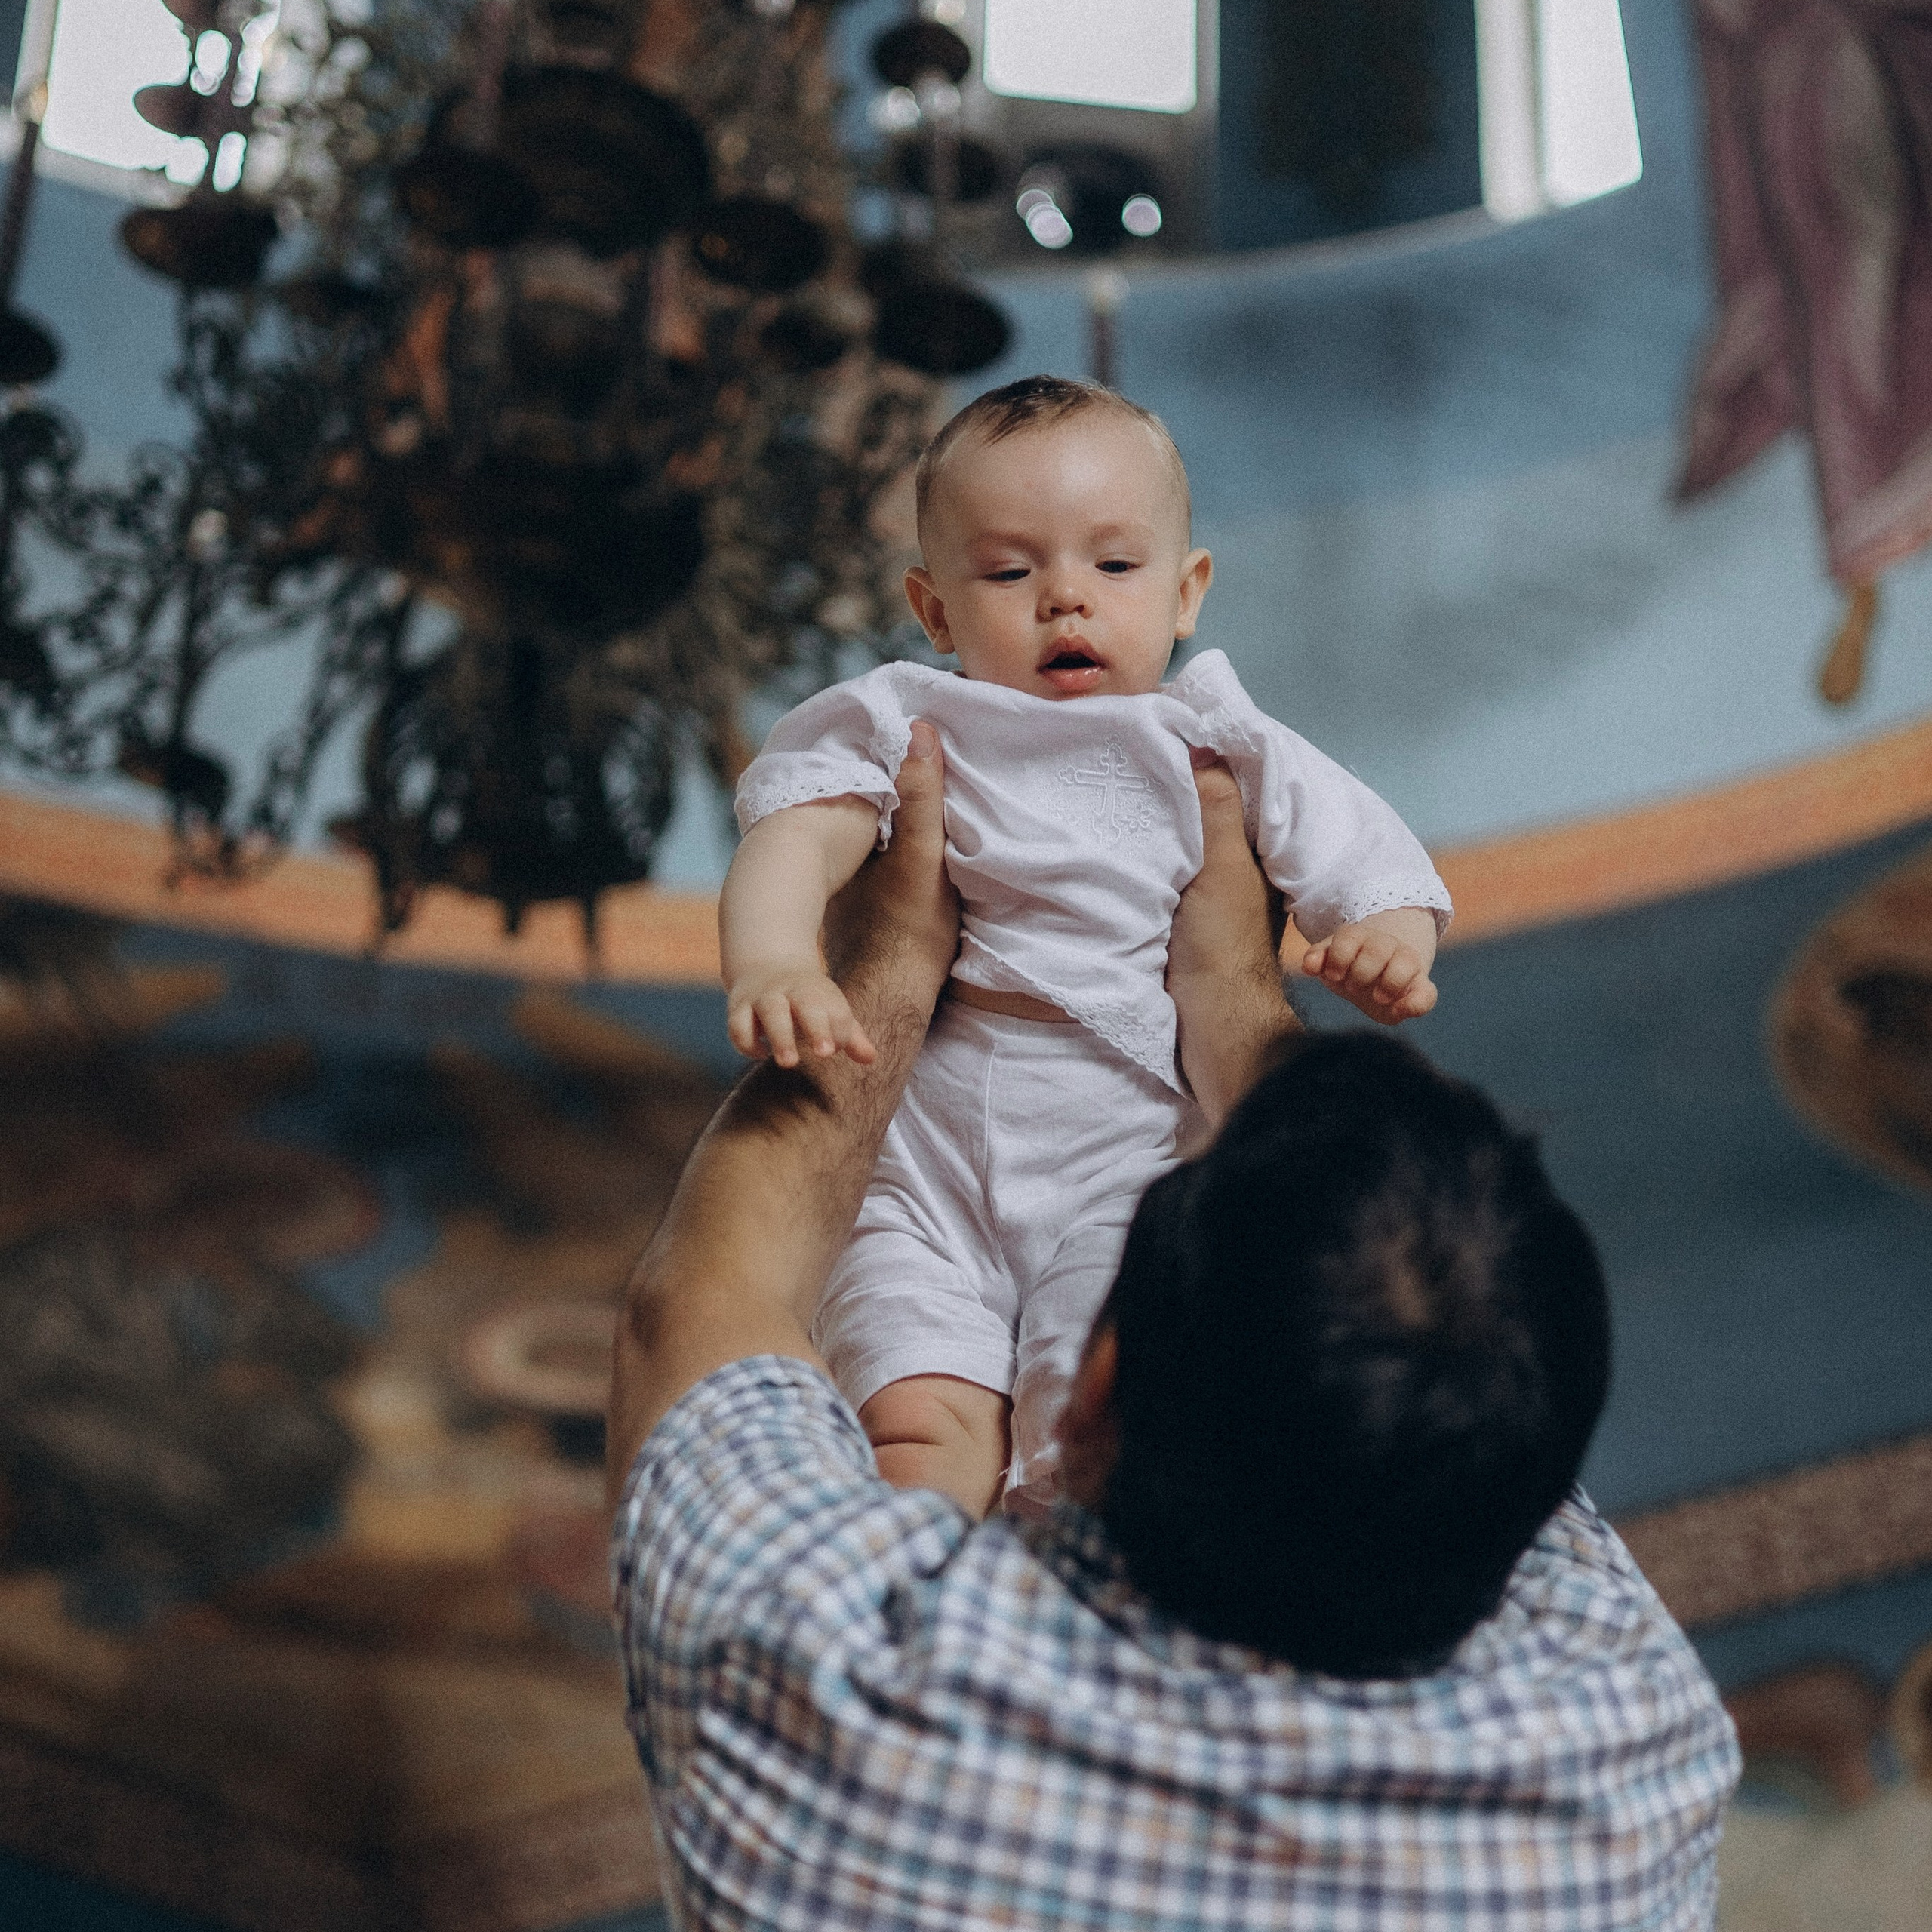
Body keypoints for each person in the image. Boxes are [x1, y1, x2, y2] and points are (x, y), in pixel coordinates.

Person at [606, 733, 1741, 1930]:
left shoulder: (821, 1682)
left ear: (1093, 1389)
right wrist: (1231, 994)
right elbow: (1422, 1334)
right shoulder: (1631, 1767)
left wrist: (890, 967)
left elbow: (702, 1304)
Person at [719, 376, 1453, 1512]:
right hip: (923, 1159)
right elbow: (796, 834)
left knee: (1099, 1411)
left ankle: (1066, 1568)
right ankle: (928, 1577)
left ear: (1185, 591)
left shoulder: (1217, 738)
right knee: (912, 1423)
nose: (1066, 599)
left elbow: (1370, 860)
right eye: (1010, 572)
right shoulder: (906, 718)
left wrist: (1384, 941)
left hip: (1132, 1145)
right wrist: (773, 960)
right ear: (936, 611)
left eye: (1114, 567)